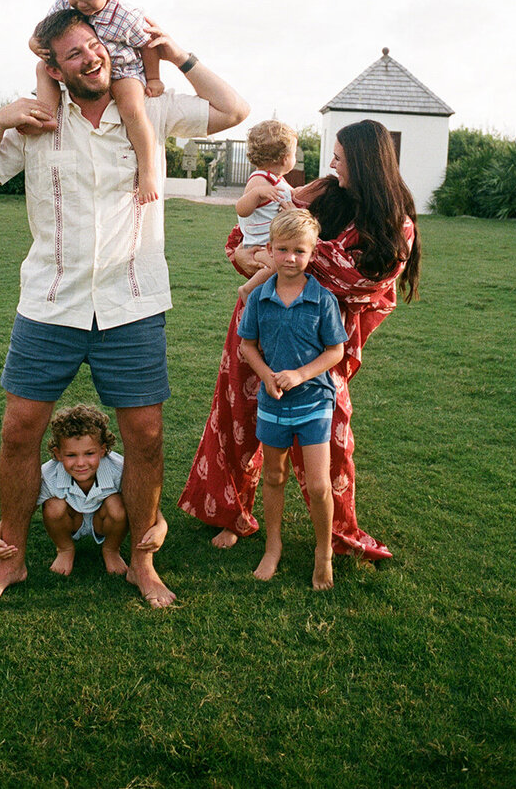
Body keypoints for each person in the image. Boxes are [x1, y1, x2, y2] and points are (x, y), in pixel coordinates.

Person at [0, 8, 249, 606]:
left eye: (92, 44)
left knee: (144, 437)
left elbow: (233, 111)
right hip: (49, 302)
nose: (90, 57)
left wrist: (178, 55)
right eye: (73, 54)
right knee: (19, 433)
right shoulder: (38, 120)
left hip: (133, 302)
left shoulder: (150, 106)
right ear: (55, 70)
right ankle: (10, 560)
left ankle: (143, 561)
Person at [178, 119, 420, 558]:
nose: (331, 164)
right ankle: (233, 513)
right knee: (239, 417)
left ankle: (339, 535)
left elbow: (361, 281)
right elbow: (252, 237)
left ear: (364, 163)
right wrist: (258, 253)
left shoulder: (393, 224)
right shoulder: (324, 195)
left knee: (331, 437)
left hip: (319, 342)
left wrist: (291, 251)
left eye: (340, 158)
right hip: (261, 322)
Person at [237, 209, 347, 589]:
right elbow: (247, 345)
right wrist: (266, 375)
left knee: (318, 486)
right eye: (282, 250)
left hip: (315, 402)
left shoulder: (323, 299)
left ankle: (324, 553)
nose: (289, 258)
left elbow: (335, 352)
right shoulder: (259, 299)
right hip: (273, 404)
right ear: (269, 249)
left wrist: (300, 374)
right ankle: (272, 546)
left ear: (311, 254)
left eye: (299, 251)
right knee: (273, 476)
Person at [31, 0, 165, 203]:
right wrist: (33, 42)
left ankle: (148, 170)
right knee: (42, 67)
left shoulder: (125, 14)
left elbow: (149, 43)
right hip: (83, 71)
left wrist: (153, 77)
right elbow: (45, 30)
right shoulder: (64, 3)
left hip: (123, 69)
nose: (80, 5)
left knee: (132, 110)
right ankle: (45, 115)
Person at [0, 404, 167, 579]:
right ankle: (65, 549)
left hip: (103, 521)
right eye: (71, 455)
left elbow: (143, 504)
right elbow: (23, 509)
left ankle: (111, 550)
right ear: (58, 454)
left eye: (89, 454)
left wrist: (161, 527)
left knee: (117, 504)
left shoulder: (119, 469)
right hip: (70, 519)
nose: (80, 463)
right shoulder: (48, 474)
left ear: (103, 450)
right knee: (53, 506)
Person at [235, 120, 297, 265]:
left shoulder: (278, 180)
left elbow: (294, 195)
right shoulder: (259, 181)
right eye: (294, 153)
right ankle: (247, 288)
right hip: (259, 246)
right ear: (285, 158)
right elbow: (241, 210)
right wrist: (256, 193)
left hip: (274, 244)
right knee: (276, 264)